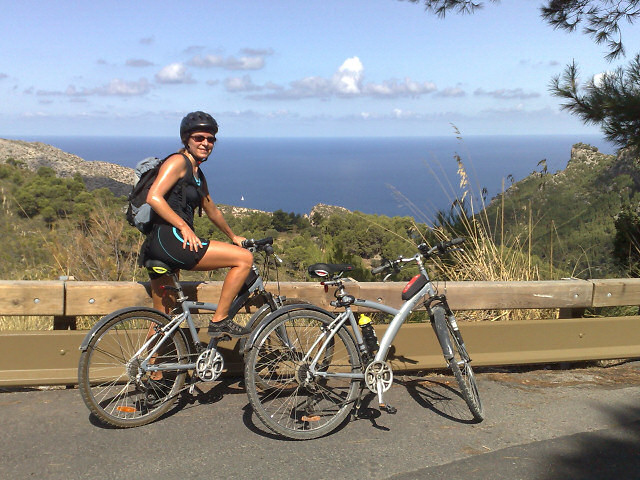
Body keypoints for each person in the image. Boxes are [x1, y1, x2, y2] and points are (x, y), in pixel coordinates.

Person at [139, 111, 253, 337]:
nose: (206, 143)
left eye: (211, 139)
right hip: (171, 240)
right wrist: (183, 226)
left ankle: (152, 370)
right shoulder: (177, 162)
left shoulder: (197, 172)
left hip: (159, 246)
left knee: (163, 316)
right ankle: (220, 320)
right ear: (186, 139)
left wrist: (232, 236)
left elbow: (211, 209)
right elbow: (154, 197)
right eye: (199, 138)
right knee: (244, 259)